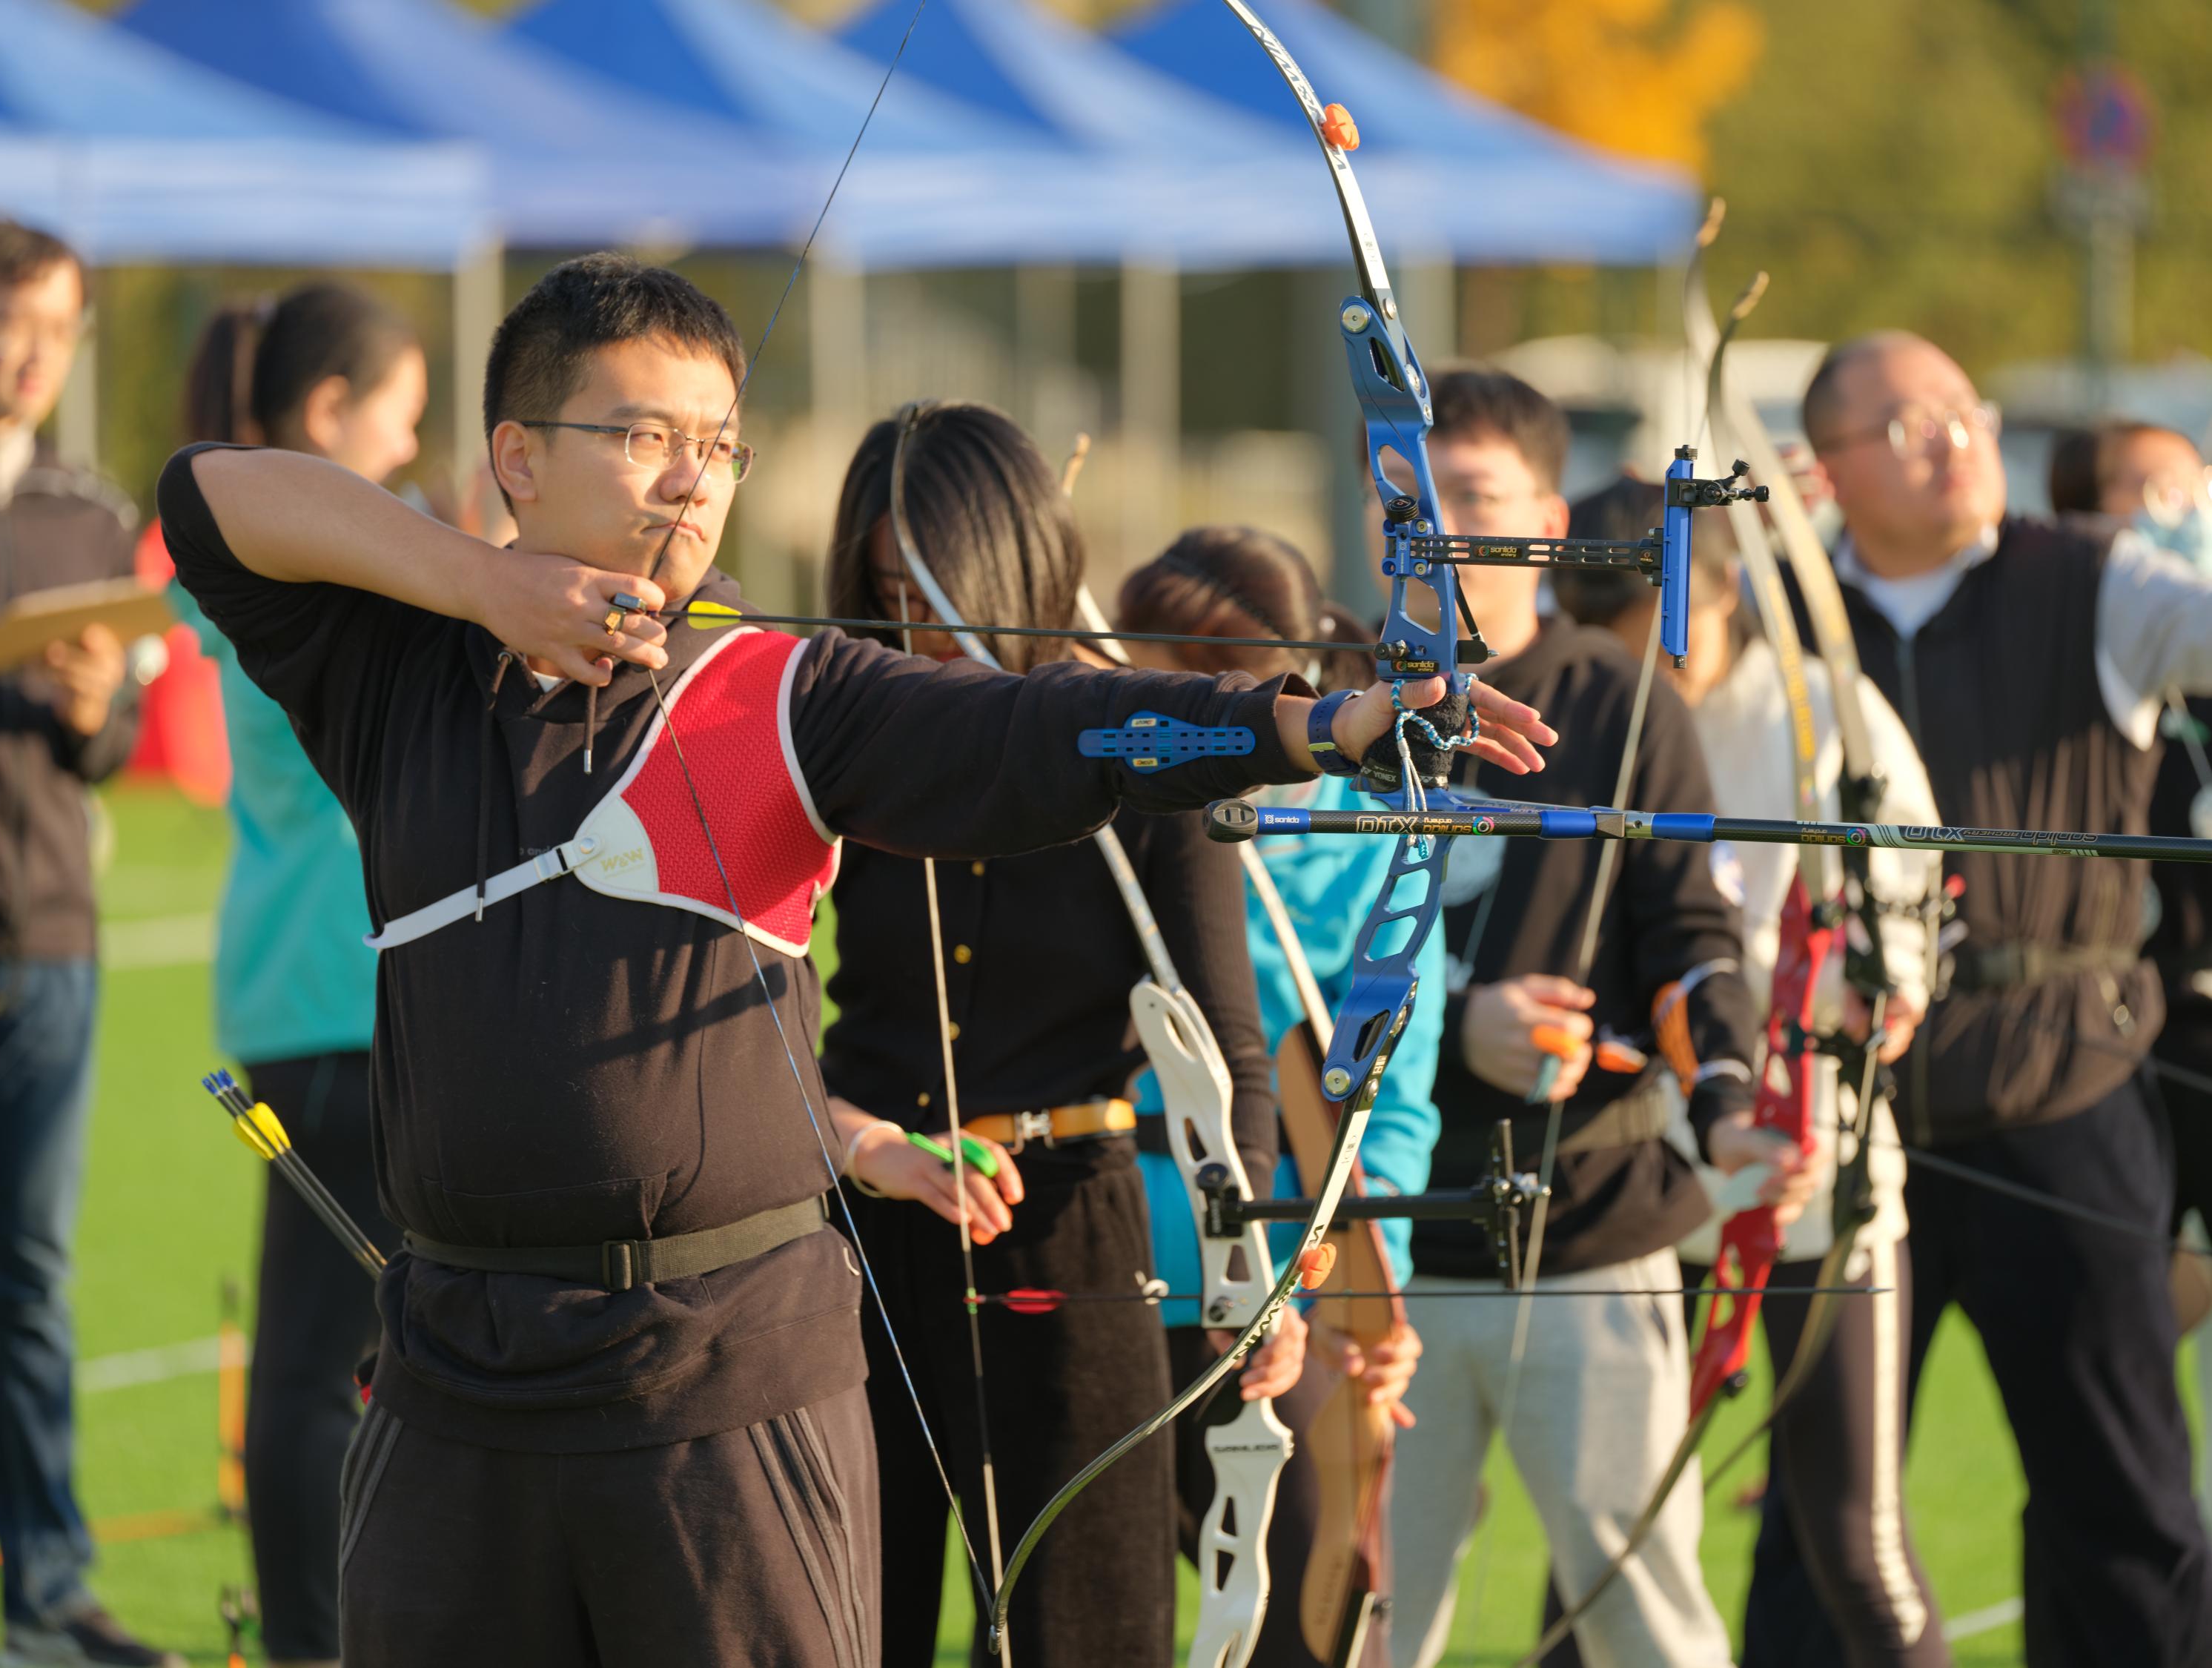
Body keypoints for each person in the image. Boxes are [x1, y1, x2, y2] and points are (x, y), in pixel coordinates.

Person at [155, 253, 1552, 1668]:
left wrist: (1318, 728)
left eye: (717, 446)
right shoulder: (398, 678)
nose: (690, 481)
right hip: (457, 1378)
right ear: (515, 456)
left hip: (721, 1386)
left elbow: (1047, 735)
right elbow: (205, 496)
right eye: (645, 437)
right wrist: (482, 590)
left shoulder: (782, 694)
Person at [815, 403, 1305, 1667]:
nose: (911, 629)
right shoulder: (838, 734)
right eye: (881, 593)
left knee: (1084, 1622)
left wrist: (1248, 1270)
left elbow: (1228, 1050)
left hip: (1067, 1220)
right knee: (833, 1609)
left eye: (932, 589)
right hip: (866, 1219)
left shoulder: (1132, 749)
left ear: (1014, 567)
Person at [1804, 331, 2212, 1665]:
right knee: (1822, 1523)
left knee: (2122, 1500)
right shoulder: (1795, 615)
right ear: (1832, 466)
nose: (1954, 436)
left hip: (2067, 1091)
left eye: (1963, 409)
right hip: (1858, 1116)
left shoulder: (2097, 577)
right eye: (1906, 424)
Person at [1379, 368, 1788, 1668]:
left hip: (1592, 1231)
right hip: (1377, 1258)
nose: (1439, 531)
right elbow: (1286, 957)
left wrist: (1727, 1102)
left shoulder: (1619, 702)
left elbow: (1690, 934)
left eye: (1477, 499)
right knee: (1362, 1611)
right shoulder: (1329, 706)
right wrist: (1455, 1021)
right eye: (1411, 501)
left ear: (1551, 520)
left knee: (1642, 1615)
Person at [1560, 478, 1947, 1666]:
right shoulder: (1579, 720)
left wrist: (1875, 980)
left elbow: (1909, 922)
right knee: (1609, 1538)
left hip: (1809, 1159)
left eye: (1668, 646)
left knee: (1851, 1538)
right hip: (1640, 1171)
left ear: (1719, 593)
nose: (1652, 685)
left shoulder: (1823, 707)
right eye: (1622, 658)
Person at [1113, 524, 1433, 1668]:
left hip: (1291, 1291)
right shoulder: (1096, 821)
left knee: (1305, 1621)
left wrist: (1363, 1280)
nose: (1186, 727)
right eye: (1158, 691)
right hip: (1108, 1268)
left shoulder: (1366, 840)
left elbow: (1392, 1106)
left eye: (1215, 694)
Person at [164, 283, 425, 1668]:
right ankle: (321, 1642)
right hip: (345, 986)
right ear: (329, 417)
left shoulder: (288, 555)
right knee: (329, 1357)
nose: (413, 451)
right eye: (403, 419)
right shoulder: (315, 563)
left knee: (319, 1346)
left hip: (295, 984)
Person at [0, 218, 177, 1668]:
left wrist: (92, 700)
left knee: (33, 1285)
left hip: (49, 948)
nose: (28, 350)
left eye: (54, 325)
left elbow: (110, 747)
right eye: (7, 318)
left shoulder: (89, 515)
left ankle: (49, 1592)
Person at [2045, 419, 2212, 1528]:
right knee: (2103, 1353)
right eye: (2146, 487)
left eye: (2187, 479)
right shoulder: (2076, 671)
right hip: (2113, 1031)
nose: (2180, 505)